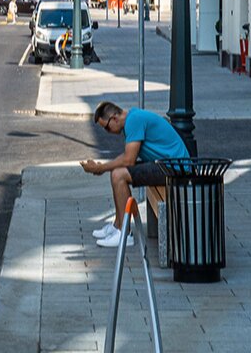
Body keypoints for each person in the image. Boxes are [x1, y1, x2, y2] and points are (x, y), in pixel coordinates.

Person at [79, 101, 190, 249]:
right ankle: (118, 225)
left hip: (175, 168)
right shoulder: (132, 119)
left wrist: (100, 168)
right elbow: (126, 157)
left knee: (119, 175)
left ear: (114, 118)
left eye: (106, 127)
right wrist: (102, 168)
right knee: (116, 172)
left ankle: (124, 233)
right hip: (165, 164)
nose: (107, 131)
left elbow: (129, 160)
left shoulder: (134, 120)